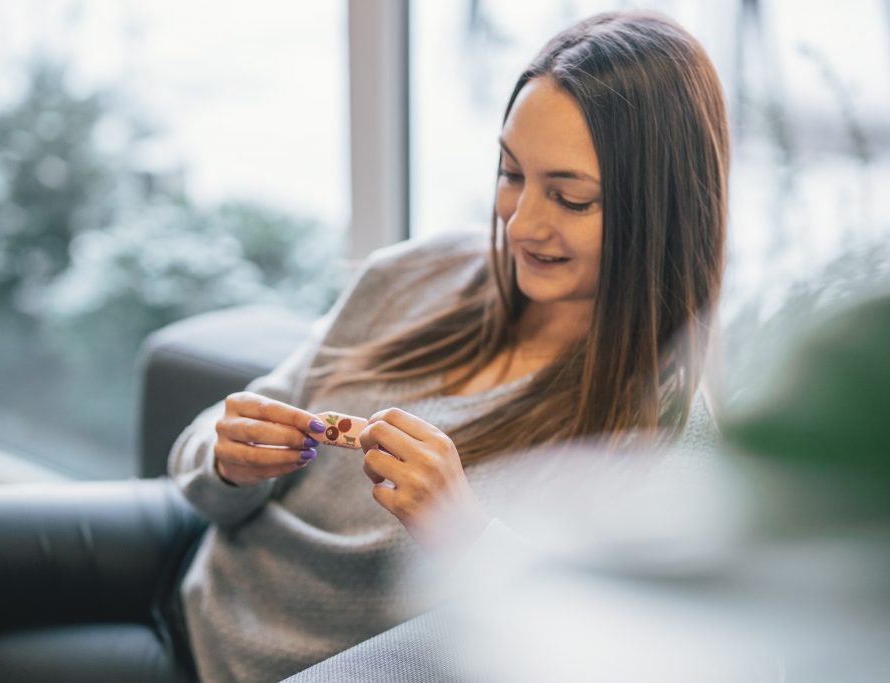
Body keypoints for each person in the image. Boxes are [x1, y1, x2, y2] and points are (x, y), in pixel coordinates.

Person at [169, 10, 730, 682]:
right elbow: (204, 453)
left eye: (570, 197)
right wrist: (227, 459)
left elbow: (620, 654)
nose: (522, 223)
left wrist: (467, 535)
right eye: (511, 172)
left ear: (658, 208)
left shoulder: (662, 436)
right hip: (190, 609)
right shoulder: (415, 273)